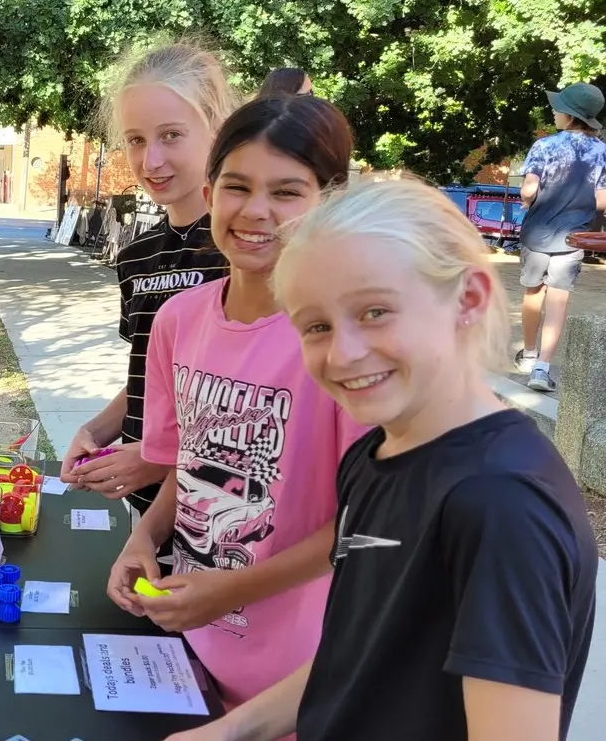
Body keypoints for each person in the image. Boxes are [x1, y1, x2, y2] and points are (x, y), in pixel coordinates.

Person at [167, 176, 598, 741]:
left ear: (468, 299)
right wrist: (227, 732)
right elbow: (355, 659)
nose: (343, 353)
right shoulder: (376, 455)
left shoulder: (501, 505)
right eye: (316, 326)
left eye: (375, 312)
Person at [107, 96, 365, 714]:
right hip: (189, 649)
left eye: (287, 192)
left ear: (328, 200)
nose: (255, 212)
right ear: (210, 189)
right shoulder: (178, 320)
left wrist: (231, 590)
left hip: (302, 677)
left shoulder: (347, 342)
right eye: (237, 186)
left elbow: (365, 524)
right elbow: (191, 467)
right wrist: (143, 537)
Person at [59, 41, 238, 515]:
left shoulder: (242, 250)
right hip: (143, 505)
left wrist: (158, 460)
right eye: (136, 140)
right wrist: (96, 431)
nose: (150, 161)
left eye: (172, 135)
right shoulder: (137, 254)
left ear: (218, 129)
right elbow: (146, 378)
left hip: (220, 509)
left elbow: (250, 401)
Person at [513, 82, 606, 392]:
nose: (554, 112)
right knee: (559, 299)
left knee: (533, 293)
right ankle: (542, 368)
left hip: (537, 233)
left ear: (570, 116)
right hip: (573, 237)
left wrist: (528, 199)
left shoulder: (544, 146)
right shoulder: (601, 151)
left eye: (558, 109)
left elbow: (528, 189)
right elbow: (602, 199)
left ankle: (527, 355)